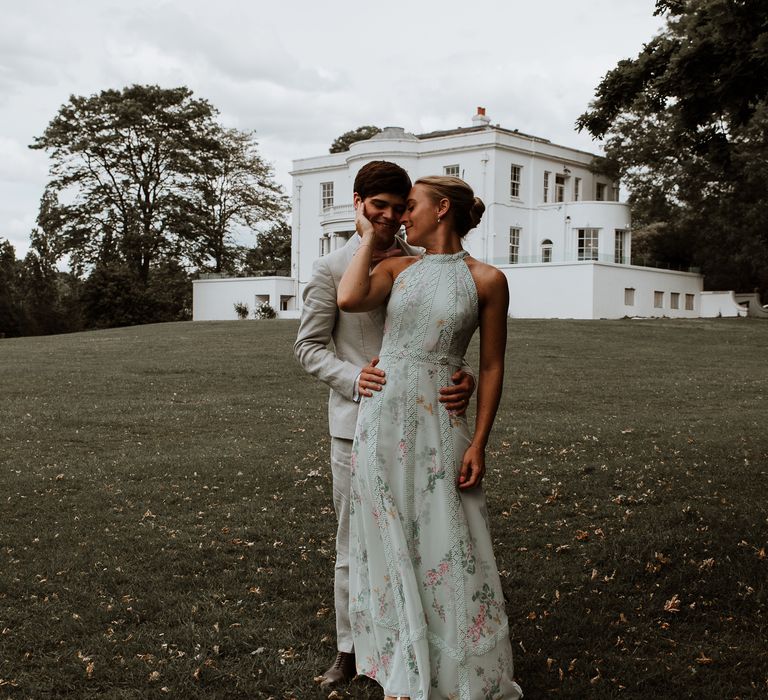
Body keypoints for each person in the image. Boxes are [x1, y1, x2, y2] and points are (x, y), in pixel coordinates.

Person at [337, 175, 523, 698]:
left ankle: (453, 667)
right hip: (383, 422)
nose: (400, 217)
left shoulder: (487, 279)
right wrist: (367, 233)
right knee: (388, 537)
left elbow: (490, 366)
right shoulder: (394, 267)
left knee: (448, 537)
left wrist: (480, 442)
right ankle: (402, 661)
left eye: (409, 207)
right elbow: (350, 297)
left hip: (442, 424)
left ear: (442, 209)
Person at [294, 162, 476, 689]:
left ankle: (414, 639)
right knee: (356, 540)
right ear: (358, 203)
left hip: (424, 424)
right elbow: (308, 347)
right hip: (357, 425)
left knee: (422, 534)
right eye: (381, 207)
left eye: (400, 208)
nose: (392, 218)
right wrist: (355, 379)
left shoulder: (425, 262)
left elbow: (446, 338)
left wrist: (461, 377)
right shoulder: (331, 267)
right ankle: (350, 650)